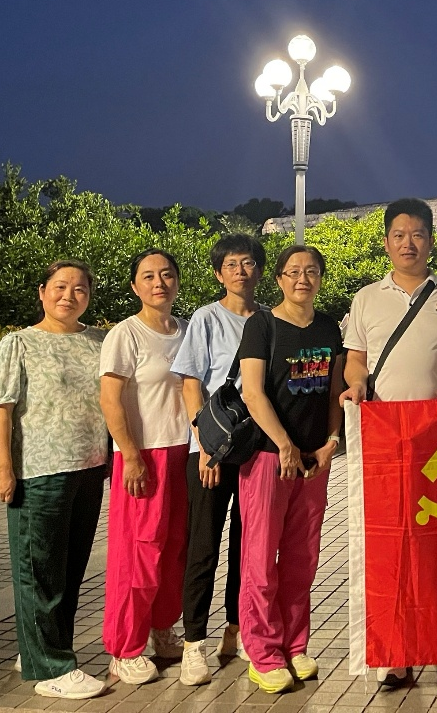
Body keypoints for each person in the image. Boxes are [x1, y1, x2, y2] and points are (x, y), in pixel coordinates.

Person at [340, 199, 437, 689]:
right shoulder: (366, 299)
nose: (408, 243)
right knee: (391, 545)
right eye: (399, 235)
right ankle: (395, 653)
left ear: (430, 241)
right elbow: (356, 360)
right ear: (386, 242)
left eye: (417, 234)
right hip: (386, 438)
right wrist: (356, 385)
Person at [0, 261, 109, 700]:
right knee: (39, 573)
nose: (68, 296)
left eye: (79, 289)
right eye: (59, 287)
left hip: (89, 469)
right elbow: (1, 412)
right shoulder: (18, 344)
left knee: (69, 572)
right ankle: (51, 668)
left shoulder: (99, 341)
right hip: (39, 472)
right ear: (42, 292)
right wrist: (3, 469)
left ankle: (38, 650)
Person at [236, 244, 345, 693]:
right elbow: (253, 393)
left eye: (312, 271)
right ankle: (263, 653)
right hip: (268, 456)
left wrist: (331, 441)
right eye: (293, 271)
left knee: (303, 558)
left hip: (313, 460)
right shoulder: (261, 325)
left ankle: (294, 646)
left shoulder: (328, 327)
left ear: (320, 278)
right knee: (261, 559)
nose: (303, 278)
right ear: (279, 278)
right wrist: (284, 445)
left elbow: (334, 390)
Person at [170, 234, 266, 684]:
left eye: (248, 263)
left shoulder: (269, 319)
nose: (240, 271)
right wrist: (205, 446)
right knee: (204, 546)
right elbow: (191, 382)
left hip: (257, 450)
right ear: (218, 273)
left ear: (260, 270)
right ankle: (194, 643)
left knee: (248, 545)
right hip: (213, 450)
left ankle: (236, 629)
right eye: (231, 264)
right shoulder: (206, 318)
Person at [100, 249, 190, 685]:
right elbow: (109, 399)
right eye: (149, 276)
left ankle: (162, 629)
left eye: (166, 275)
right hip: (144, 455)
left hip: (184, 453)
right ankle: (125, 648)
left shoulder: (188, 331)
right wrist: (131, 454)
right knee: (138, 553)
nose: (159, 283)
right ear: (135, 286)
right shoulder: (125, 334)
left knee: (174, 551)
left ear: (177, 281)